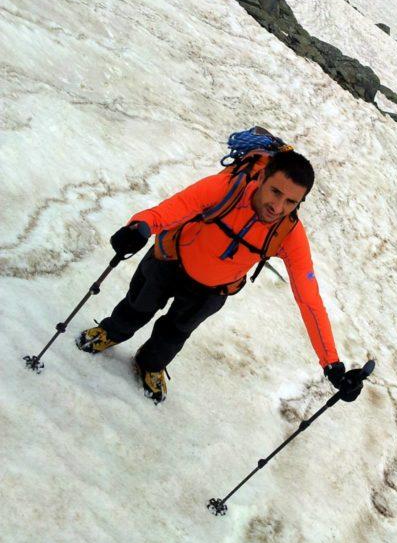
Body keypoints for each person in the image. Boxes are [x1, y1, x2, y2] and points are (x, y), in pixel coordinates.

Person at [76, 149, 359, 405]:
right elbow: (173, 208)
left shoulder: (288, 235)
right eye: (275, 192)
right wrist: (140, 227)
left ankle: (151, 364)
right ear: (261, 177)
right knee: (137, 305)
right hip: (170, 261)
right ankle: (111, 332)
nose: (278, 207)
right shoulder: (226, 190)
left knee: (176, 332)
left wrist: (331, 364)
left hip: (211, 291)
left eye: (290, 202)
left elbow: (309, 300)